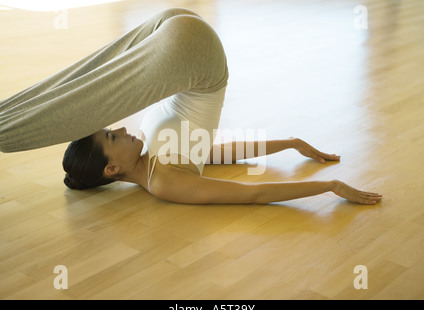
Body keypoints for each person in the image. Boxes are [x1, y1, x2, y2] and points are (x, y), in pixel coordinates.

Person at [1, 8, 382, 205]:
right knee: (96, 88)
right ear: (112, 167)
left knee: (91, 79)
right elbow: (253, 194)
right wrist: (327, 186)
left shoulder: (152, 155)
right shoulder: (163, 183)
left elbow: (215, 154)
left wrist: (292, 143)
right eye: (111, 135)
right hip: (191, 56)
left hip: (171, 35)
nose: (119, 128)